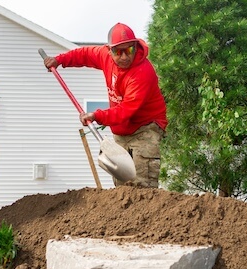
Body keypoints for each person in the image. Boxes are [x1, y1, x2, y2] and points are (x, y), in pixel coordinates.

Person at [43, 22, 168, 188]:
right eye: (118, 52)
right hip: (122, 129)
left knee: (140, 182)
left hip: (145, 127)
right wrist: (59, 60)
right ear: (110, 50)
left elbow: (126, 110)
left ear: (136, 47)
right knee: (122, 184)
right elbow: (84, 54)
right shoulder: (104, 56)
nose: (124, 57)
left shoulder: (142, 73)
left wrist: (96, 116)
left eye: (129, 50)